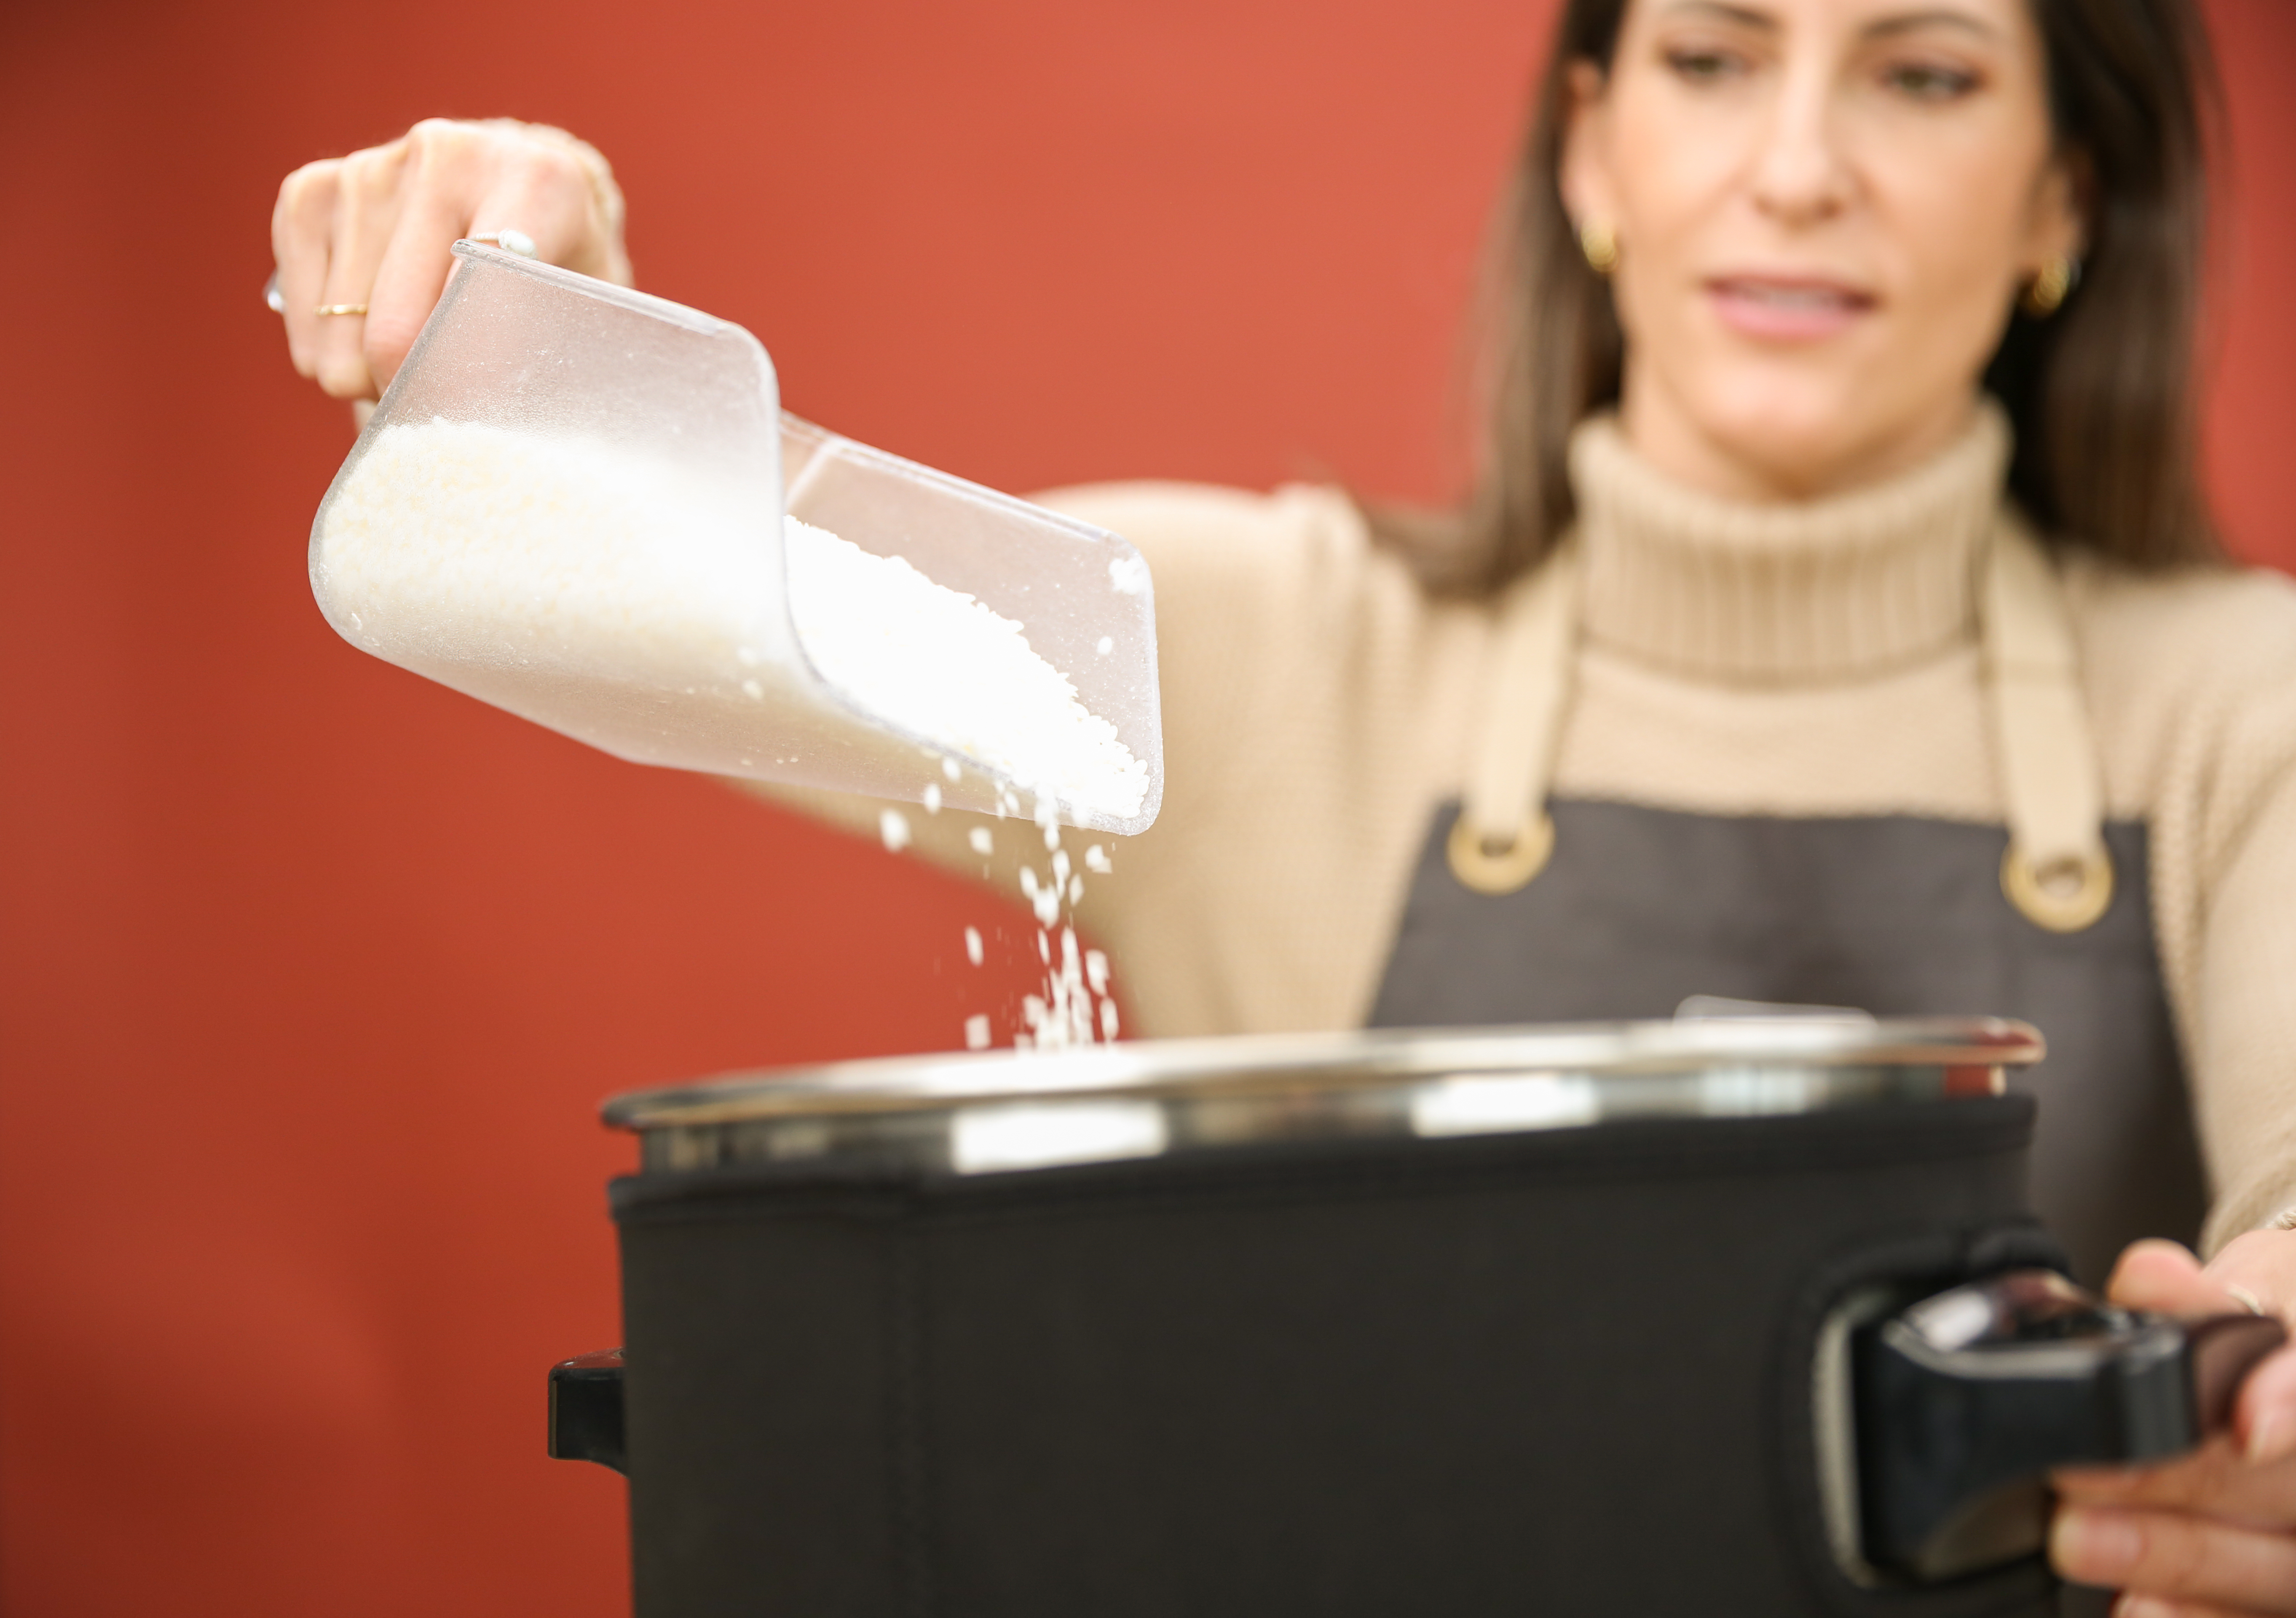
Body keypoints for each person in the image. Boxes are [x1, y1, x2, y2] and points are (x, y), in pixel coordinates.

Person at [271, 0, 2296, 1609]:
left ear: (2064, 198)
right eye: (1709, 58)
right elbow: (644, 587)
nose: (1795, 169)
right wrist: (542, 325)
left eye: (1922, 74)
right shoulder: (1254, 656)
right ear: (1596, 149)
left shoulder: (2231, 706)